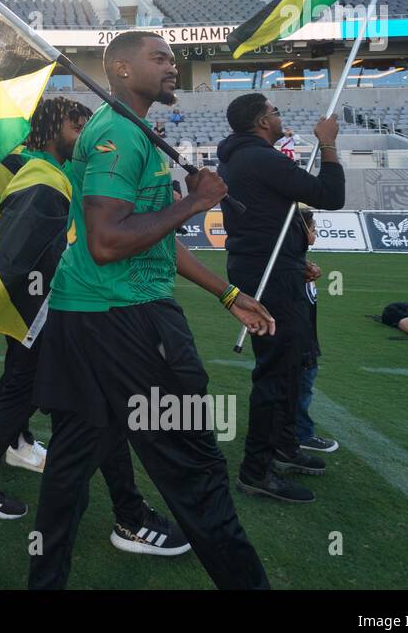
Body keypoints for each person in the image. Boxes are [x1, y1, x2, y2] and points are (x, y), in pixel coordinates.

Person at [29, 31, 274, 590]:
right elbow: (108, 241)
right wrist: (196, 201)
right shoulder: (119, 131)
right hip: (127, 321)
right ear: (118, 68)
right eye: (159, 58)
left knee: (71, 461)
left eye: (173, 57)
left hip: (87, 316)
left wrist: (227, 292)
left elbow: (153, 239)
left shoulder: (127, 128)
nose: (172, 66)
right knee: (195, 465)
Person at [0, 96, 190, 558]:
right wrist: (46, 311)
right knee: (82, 408)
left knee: (73, 410)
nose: (84, 134)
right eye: (76, 124)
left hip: (45, 316)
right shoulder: (45, 177)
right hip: (45, 316)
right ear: (54, 126)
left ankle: (124, 513)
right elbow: (22, 256)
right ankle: (127, 516)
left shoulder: (53, 173)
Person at [217, 94, 345, 503]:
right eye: (274, 111)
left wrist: (294, 258)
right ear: (260, 121)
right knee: (276, 371)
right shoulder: (259, 158)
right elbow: (330, 194)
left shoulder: (246, 157)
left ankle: (285, 447)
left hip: (275, 268)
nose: (279, 116)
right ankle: (257, 470)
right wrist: (327, 143)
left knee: (293, 363)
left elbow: (273, 217)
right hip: (267, 275)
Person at [293, 209, 338, 454]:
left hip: (306, 342)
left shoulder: (302, 266)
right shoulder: (293, 269)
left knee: (300, 387)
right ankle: (301, 434)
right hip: (300, 345)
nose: (316, 233)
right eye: (312, 229)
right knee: (300, 388)